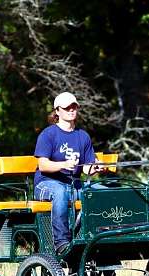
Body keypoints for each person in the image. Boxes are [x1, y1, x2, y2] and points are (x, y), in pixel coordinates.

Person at [33, 91, 103, 254]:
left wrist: (95, 168)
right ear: (57, 111)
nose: (71, 110)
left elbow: (86, 167)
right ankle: (61, 242)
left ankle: (98, 236)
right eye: (67, 107)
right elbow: (43, 165)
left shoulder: (82, 136)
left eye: (74, 107)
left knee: (100, 192)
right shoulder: (48, 134)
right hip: (46, 184)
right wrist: (64, 164)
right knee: (60, 192)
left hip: (73, 185)